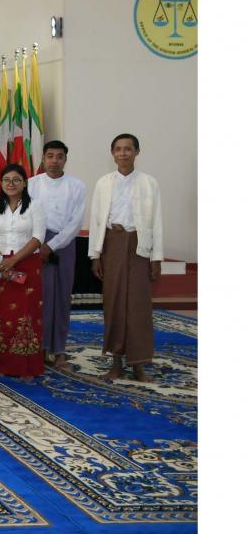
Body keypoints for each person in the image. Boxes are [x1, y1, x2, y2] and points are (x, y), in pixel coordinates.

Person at [87, 134, 164, 383]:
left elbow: (156, 221)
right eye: (118, 149)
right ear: (112, 153)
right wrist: (95, 255)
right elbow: (96, 220)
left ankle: (139, 363)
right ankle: (116, 361)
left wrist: (156, 257)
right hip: (112, 243)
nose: (123, 153)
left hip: (139, 245)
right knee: (114, 303)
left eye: (128, 149)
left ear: (137, 152)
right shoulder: (103, 183)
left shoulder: (149, 183)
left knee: (139, 305)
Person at [28, 140, 87, 370]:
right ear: (43, 158)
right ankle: (40, 348)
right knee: (40, 297)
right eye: (50, 156)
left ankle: (59, 350)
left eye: (59, 156)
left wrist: (51, 245)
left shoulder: (77, 186)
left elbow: (75, 222)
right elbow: (27, 215)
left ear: (65, 159)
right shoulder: (32, 184)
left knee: (62, 297)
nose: (54, 161)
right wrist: (39, 244)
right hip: (36, 243)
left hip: (64, 244)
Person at [0, 163, 47, 379]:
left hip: (27, 265)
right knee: (4, 315)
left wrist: (14, 260)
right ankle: (4, 364)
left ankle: (27, 366)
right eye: (6, 180)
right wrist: (0, 259)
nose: (11, 184)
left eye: (16, 180)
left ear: (24, 183)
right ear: (1, 183)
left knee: (27, 314)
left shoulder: (35, 206)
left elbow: (38, 238)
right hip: (1, 266)